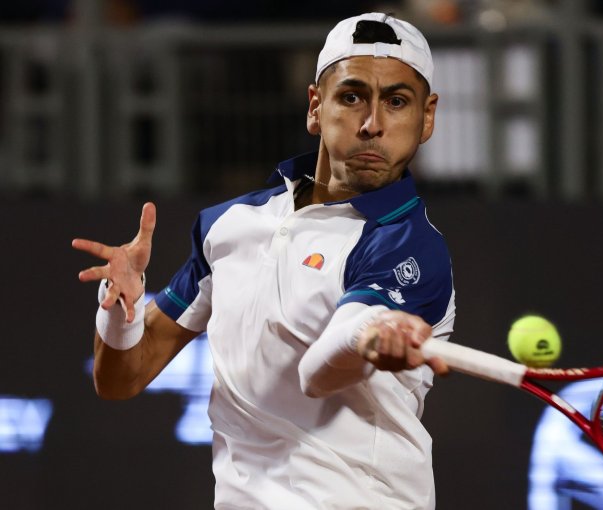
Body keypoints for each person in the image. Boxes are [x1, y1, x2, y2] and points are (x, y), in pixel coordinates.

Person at [72, 12, 455, 509]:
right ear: (316, 107)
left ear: (426, 118)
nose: (372, 125)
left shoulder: (410, 245)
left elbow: (318, 371)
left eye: (397, 102)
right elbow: (120, 379)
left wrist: (366, 340)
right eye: (352, 96)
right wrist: (119, 310)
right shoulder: (228, 225)